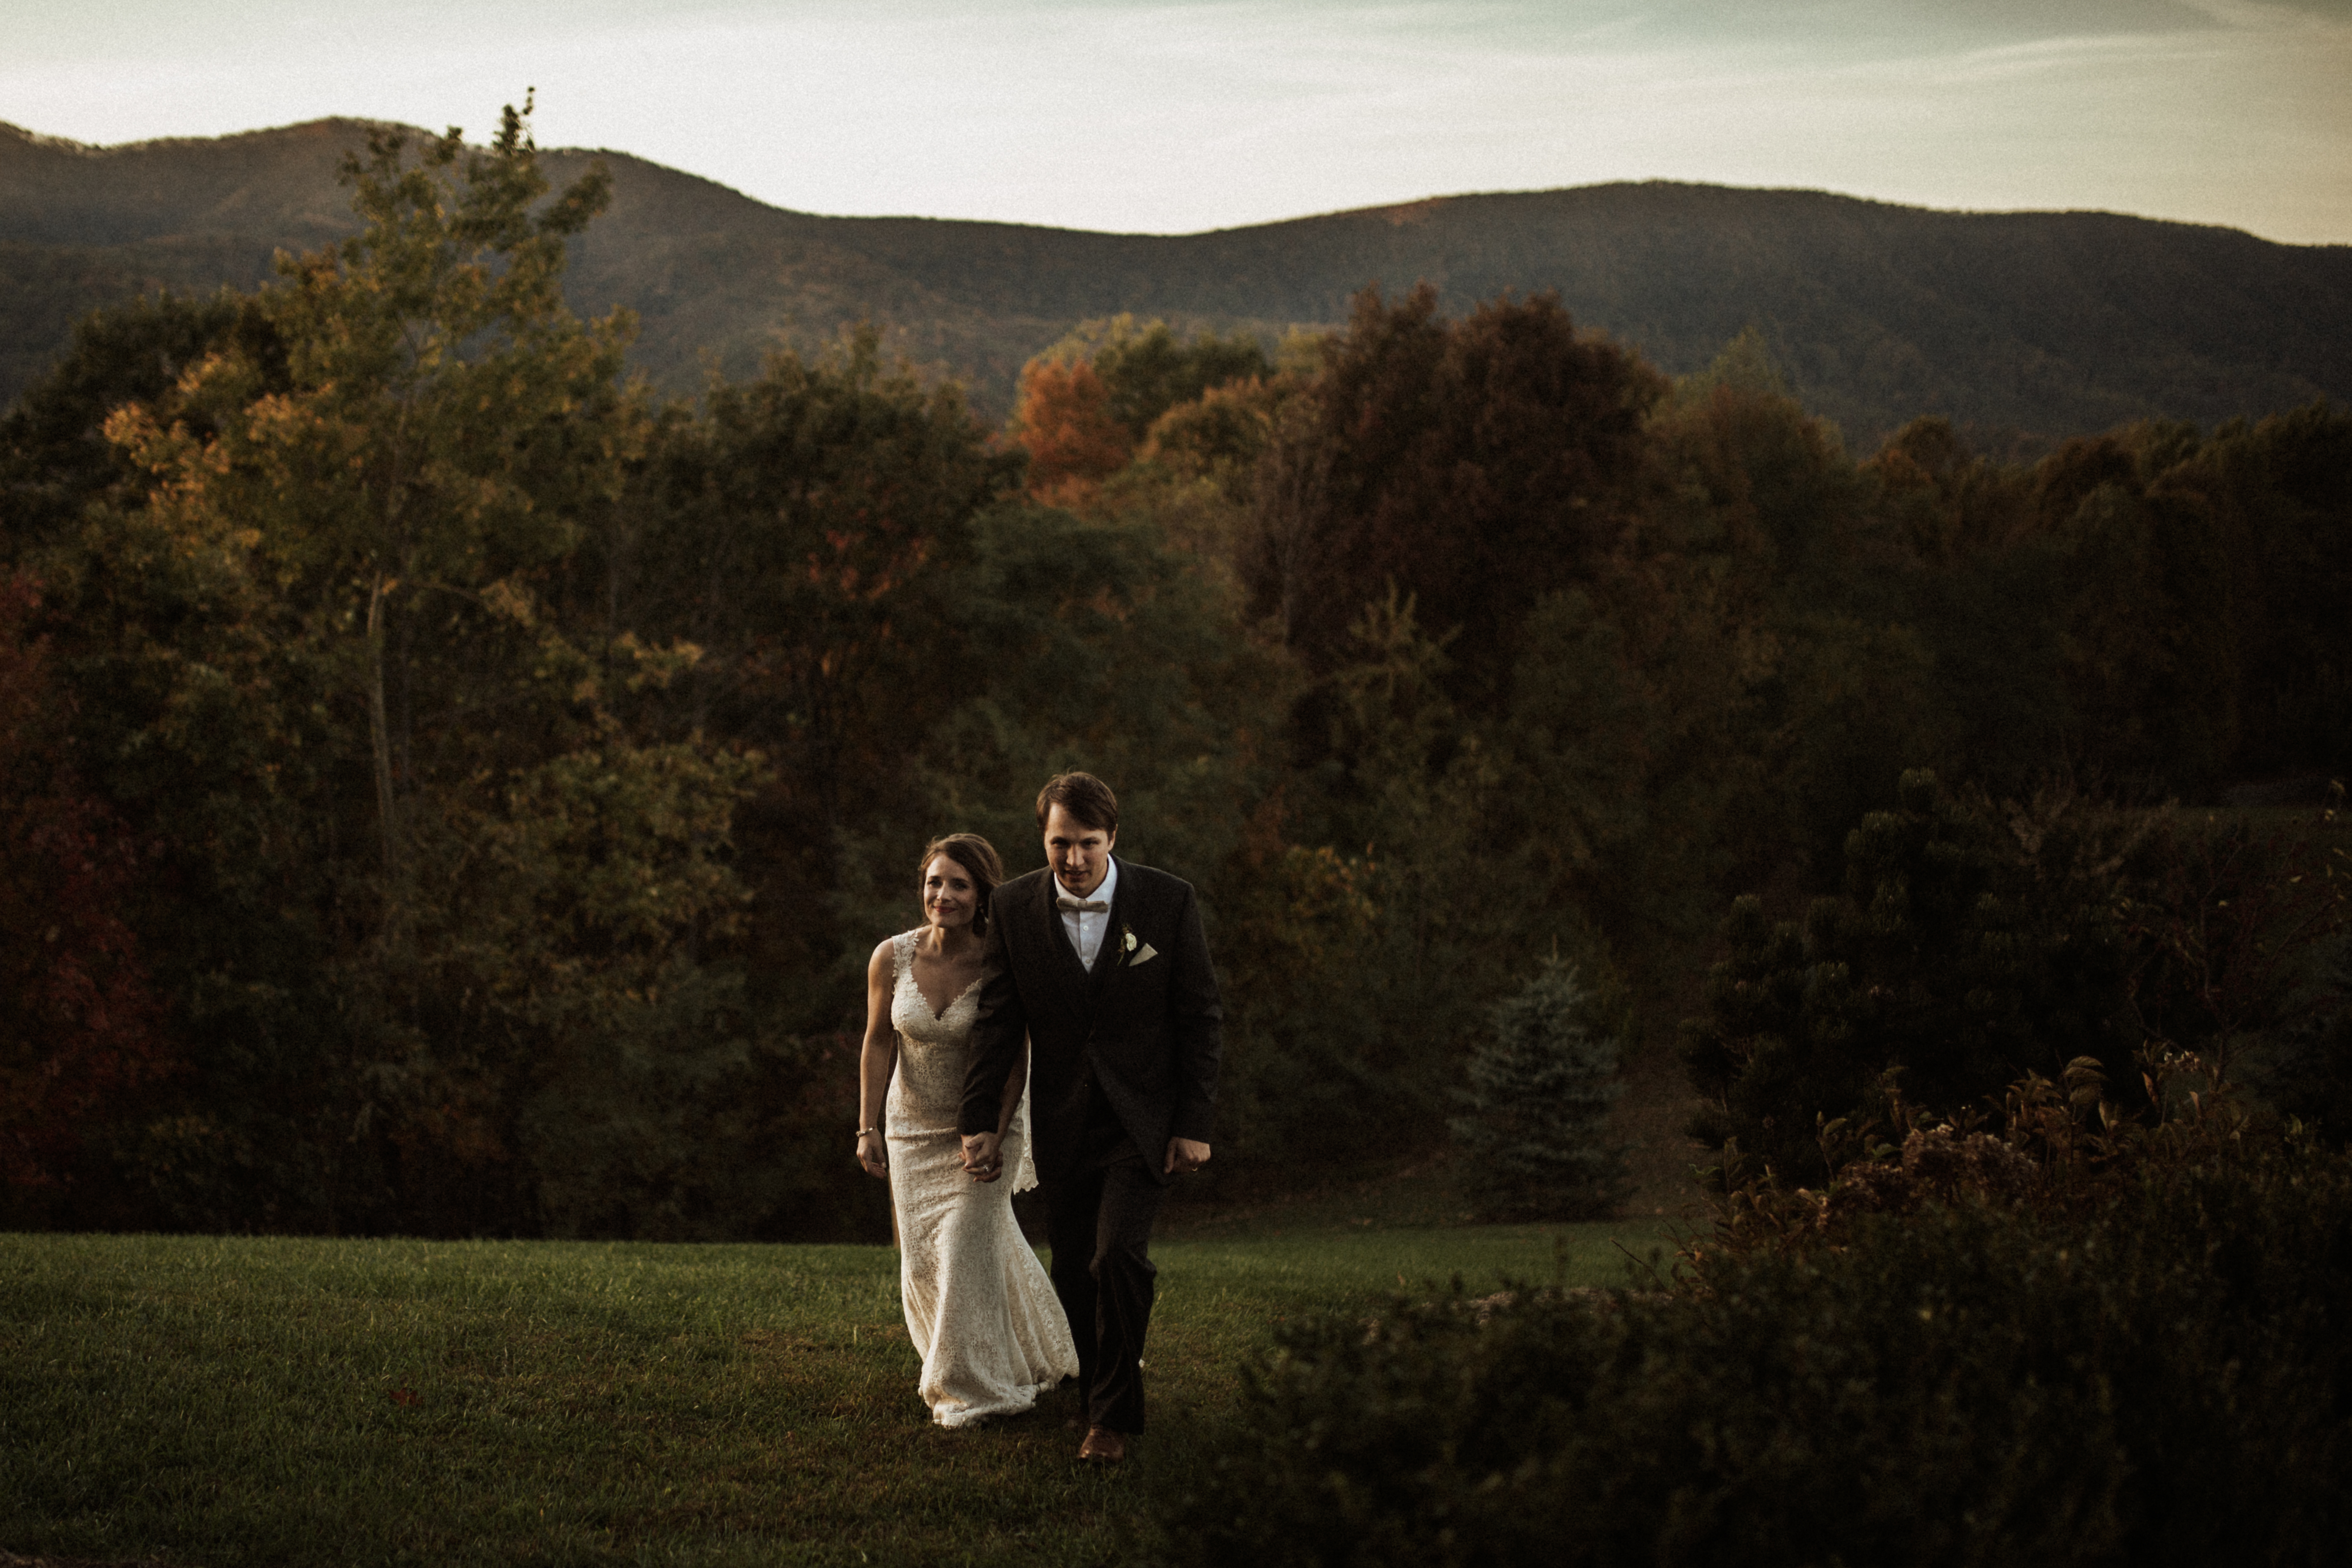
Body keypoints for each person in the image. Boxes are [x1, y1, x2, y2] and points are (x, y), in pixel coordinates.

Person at [958, 772, 1222, 1464]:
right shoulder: (1013, 907)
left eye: (1087, 844)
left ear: (1114, 839)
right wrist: (979, 1116)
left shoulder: (1167, 901)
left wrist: (1194, 1121)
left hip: (1143, 1118)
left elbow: (1199, 1018)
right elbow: (996, 1020)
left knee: (1120, 1256)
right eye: (1059, 843)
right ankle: (1100, 1388)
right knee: (1075, 1267)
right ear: (1042, 837)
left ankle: (1110, 1418)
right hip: (1064, 1116)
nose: (1073, 859)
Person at [856, 833, 1078, 1428]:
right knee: (927, 1261)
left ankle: (968, 1388)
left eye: (958, 884)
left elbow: (1015, 1057)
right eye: (934, 881)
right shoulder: (891, 956)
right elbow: (879, 1039)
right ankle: (1016, 1354)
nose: (943, 894)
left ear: (982, 894)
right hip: (910, 1133)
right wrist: (867, 1126)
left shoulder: (1001, 959)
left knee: (963, 1249)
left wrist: (996, 1128)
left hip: (981, 1130)